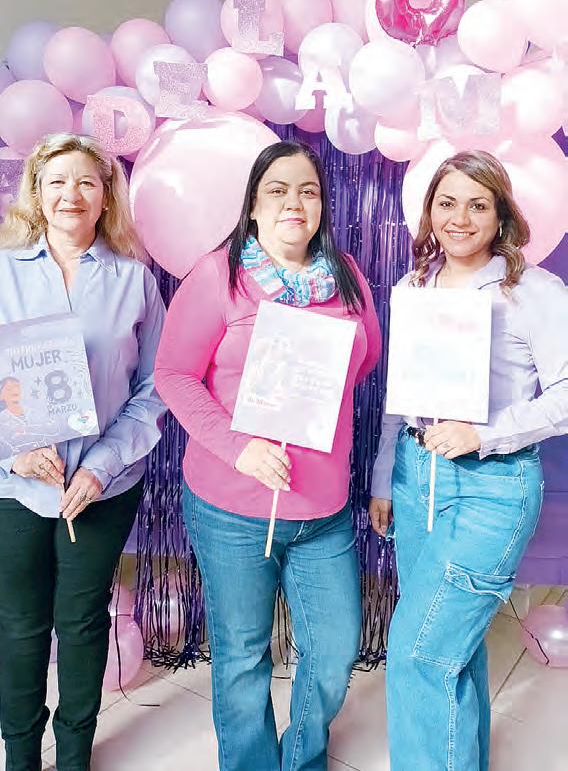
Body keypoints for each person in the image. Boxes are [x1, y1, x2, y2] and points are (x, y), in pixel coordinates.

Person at [155, 140, 381, 771]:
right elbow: (173, 374)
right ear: (253, 205)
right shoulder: (217, 276)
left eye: (307, 190)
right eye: (277, 190)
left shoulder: (346, 275)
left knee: (333, 649)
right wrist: (241, 447)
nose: (293, 202)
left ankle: (302, 757)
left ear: (322, 206)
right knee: (243, 654)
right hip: (232, 508)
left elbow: (364, 360)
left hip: (323, 510)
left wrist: (311, 413)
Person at [369, 150, 568, 771]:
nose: (459, 218)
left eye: (477, 205)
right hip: (415, 480)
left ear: (501, 214)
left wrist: (486, 434)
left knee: (419, 654)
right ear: (429, 211)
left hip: (494, 490)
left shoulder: (534, 292)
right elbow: (400, 392)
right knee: (450, 648)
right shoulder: (414, 287)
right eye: (446, 202)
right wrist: (383, 477)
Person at [0, 133, 166, 771]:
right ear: (37, 193)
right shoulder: (4, 273)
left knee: (81, 620)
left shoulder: (134, 281)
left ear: (105, 196)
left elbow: (155, 388)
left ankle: (73, 754)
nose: (72, 193)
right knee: (19, 624)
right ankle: (20, 754)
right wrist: (12, 450)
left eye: (87, 182)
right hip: (17, 486)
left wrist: (101, 466)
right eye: (57, 181)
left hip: (102, 485)